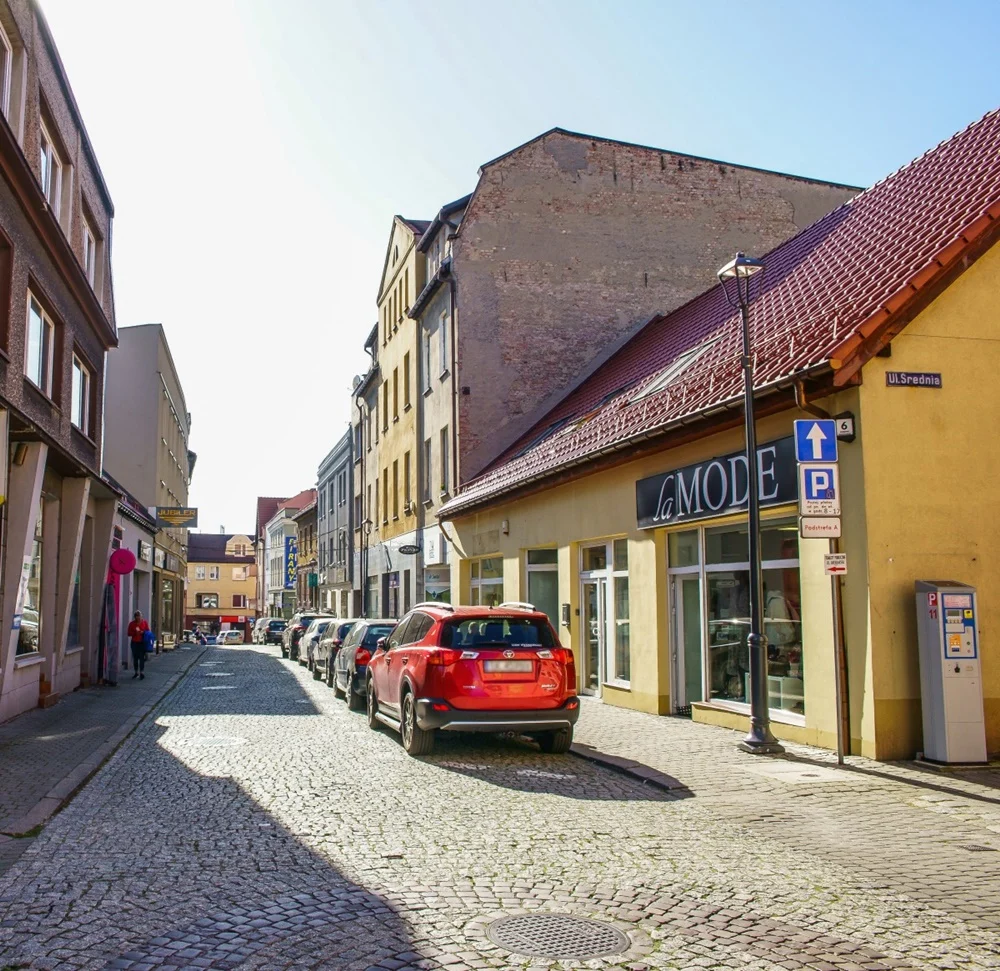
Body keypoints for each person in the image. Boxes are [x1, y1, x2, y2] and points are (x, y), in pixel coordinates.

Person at [127, 611, 150, 680]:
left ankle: (141, 672)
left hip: (142, 643)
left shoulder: (144, 623)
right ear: (135, 617)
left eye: (139, 616)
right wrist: (134, 633)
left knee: (142, 658)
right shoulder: (132, 624)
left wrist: (143, 632)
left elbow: (148, 631)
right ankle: (136, 672)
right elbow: (129, 633)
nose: (138, 617)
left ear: (141, 616)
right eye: (137, 616)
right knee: (135, 658)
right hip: (134, 643)